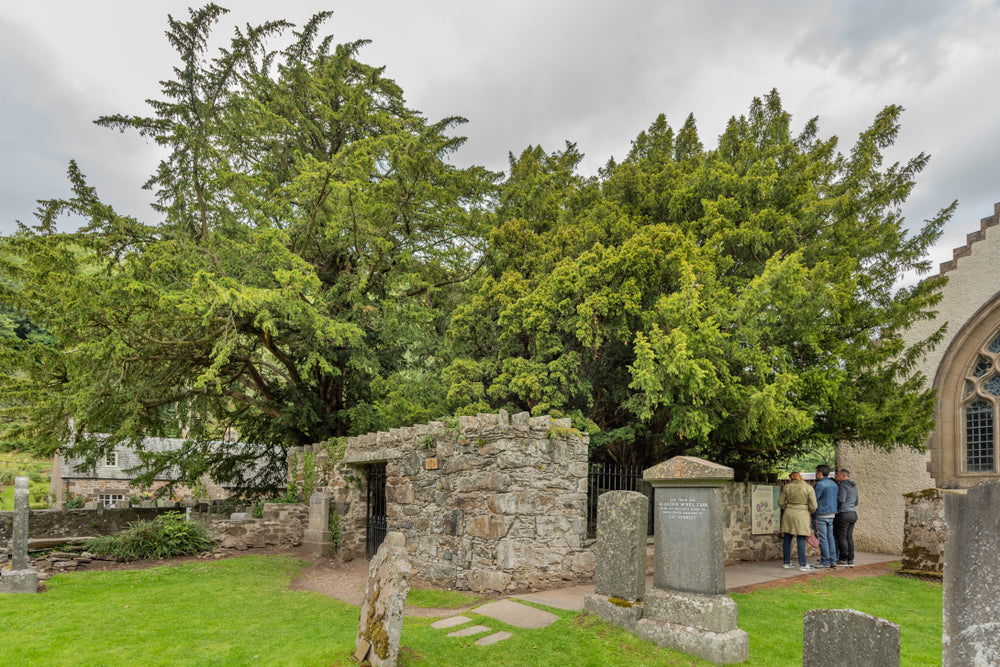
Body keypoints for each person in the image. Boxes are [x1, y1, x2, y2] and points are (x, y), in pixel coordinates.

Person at [779, 471, 818, 571]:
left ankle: (786, 562)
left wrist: (787, 507)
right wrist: (809, 510)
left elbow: (780, 502)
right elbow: (814, 506)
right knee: (801, 538)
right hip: (802, 514)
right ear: (800, 477)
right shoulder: (808, 487)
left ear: (791, 478)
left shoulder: (787, 487)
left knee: (787, 538)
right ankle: (803, 564)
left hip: (788, 513)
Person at [813, 464, 839, 568]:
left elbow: (814, 500)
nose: (815, 475)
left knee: (822, 538)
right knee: (830, 538)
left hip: (821, 514)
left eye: (816, 473)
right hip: (831, 514)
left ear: (820, 473)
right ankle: (833, 560)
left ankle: (825, 561)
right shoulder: (834, 484)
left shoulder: (819, 485)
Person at [835, 469, 859, 567]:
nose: (836, 476)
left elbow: (841, 499)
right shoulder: (854, 486)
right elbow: (856, 502)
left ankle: (843, 559)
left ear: (844, 475)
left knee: (842, 537)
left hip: (844, 513)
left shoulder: (842, 485)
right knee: (849, 537)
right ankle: (850, 559)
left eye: (837, 474)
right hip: (853, 513)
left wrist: (835, 508)